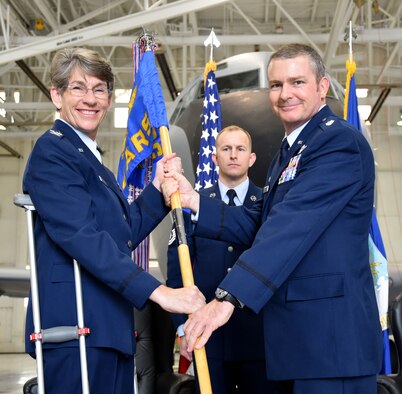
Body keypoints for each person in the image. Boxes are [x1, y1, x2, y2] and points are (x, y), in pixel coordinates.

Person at [163, 43, 383, 394]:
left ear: (322, 87)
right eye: (277, 85)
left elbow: (289, 228)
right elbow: (263, 222)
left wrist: (227, 298)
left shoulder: (338, 143)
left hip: (331, 345)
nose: (285, 94)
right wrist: (194, 202)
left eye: (298, 82)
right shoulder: (290, 152)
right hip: (299, 345)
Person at [22, 47, 205, 394]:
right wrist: (160, 292)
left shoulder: (93, 163)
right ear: (56, 95)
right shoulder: (53, 152)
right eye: (77, 88)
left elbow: (121, 237)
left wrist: (157, 189)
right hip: (75, 328)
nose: (89, 99)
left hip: (108, 329)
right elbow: (82, 236)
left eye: (99, 89)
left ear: (108, 99)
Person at [167, 125, 274, 393]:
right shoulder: (193, 202)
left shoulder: (269, 204)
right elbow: (176, 270)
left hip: (258, 335)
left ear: (251, 158)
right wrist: (182, 328)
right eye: (226, 149)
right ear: (215, 158)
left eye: (240, 149)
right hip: (207, 337)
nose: (233, 155)